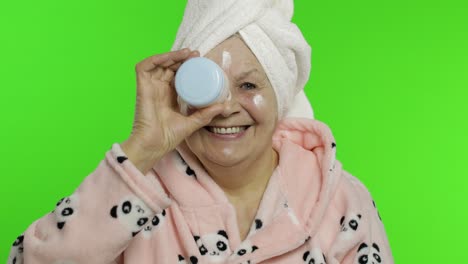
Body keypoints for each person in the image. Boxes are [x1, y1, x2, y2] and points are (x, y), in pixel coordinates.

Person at [8, 1, 394, 263]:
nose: (225, 107)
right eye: (209, 86)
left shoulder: (340, 199)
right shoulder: (136, 190)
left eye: (248, 86)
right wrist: (140, 150)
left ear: (280, 97)